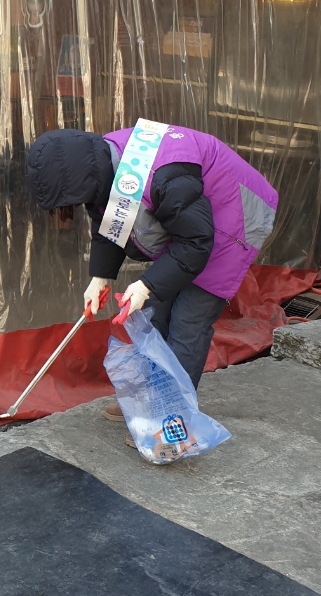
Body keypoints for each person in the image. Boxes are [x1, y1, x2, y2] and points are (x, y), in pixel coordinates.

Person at [25, 122, 278, 419]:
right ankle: (147, 400)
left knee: (188, 321)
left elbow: (196, 242)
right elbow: (110, 221)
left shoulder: (164, 177)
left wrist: (146, 285)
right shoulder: (104, 162)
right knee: (157, 311)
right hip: (192, 218)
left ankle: (171, 418)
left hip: (232, 219)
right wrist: (101, 277)